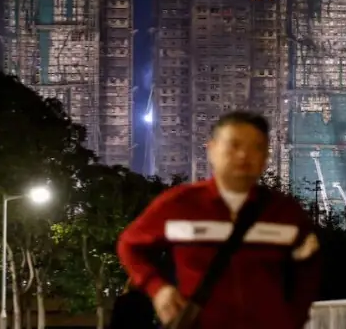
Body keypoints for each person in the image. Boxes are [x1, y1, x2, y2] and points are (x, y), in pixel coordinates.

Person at [117, 110, 322, 329]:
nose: (244, 155)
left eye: (257, 147)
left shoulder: (285, 212)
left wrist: (293, 318)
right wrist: (158, 289)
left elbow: (309, 268)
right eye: (234, 145)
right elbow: (129, 245)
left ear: (265, 158)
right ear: (212, 150)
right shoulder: (179, 204)